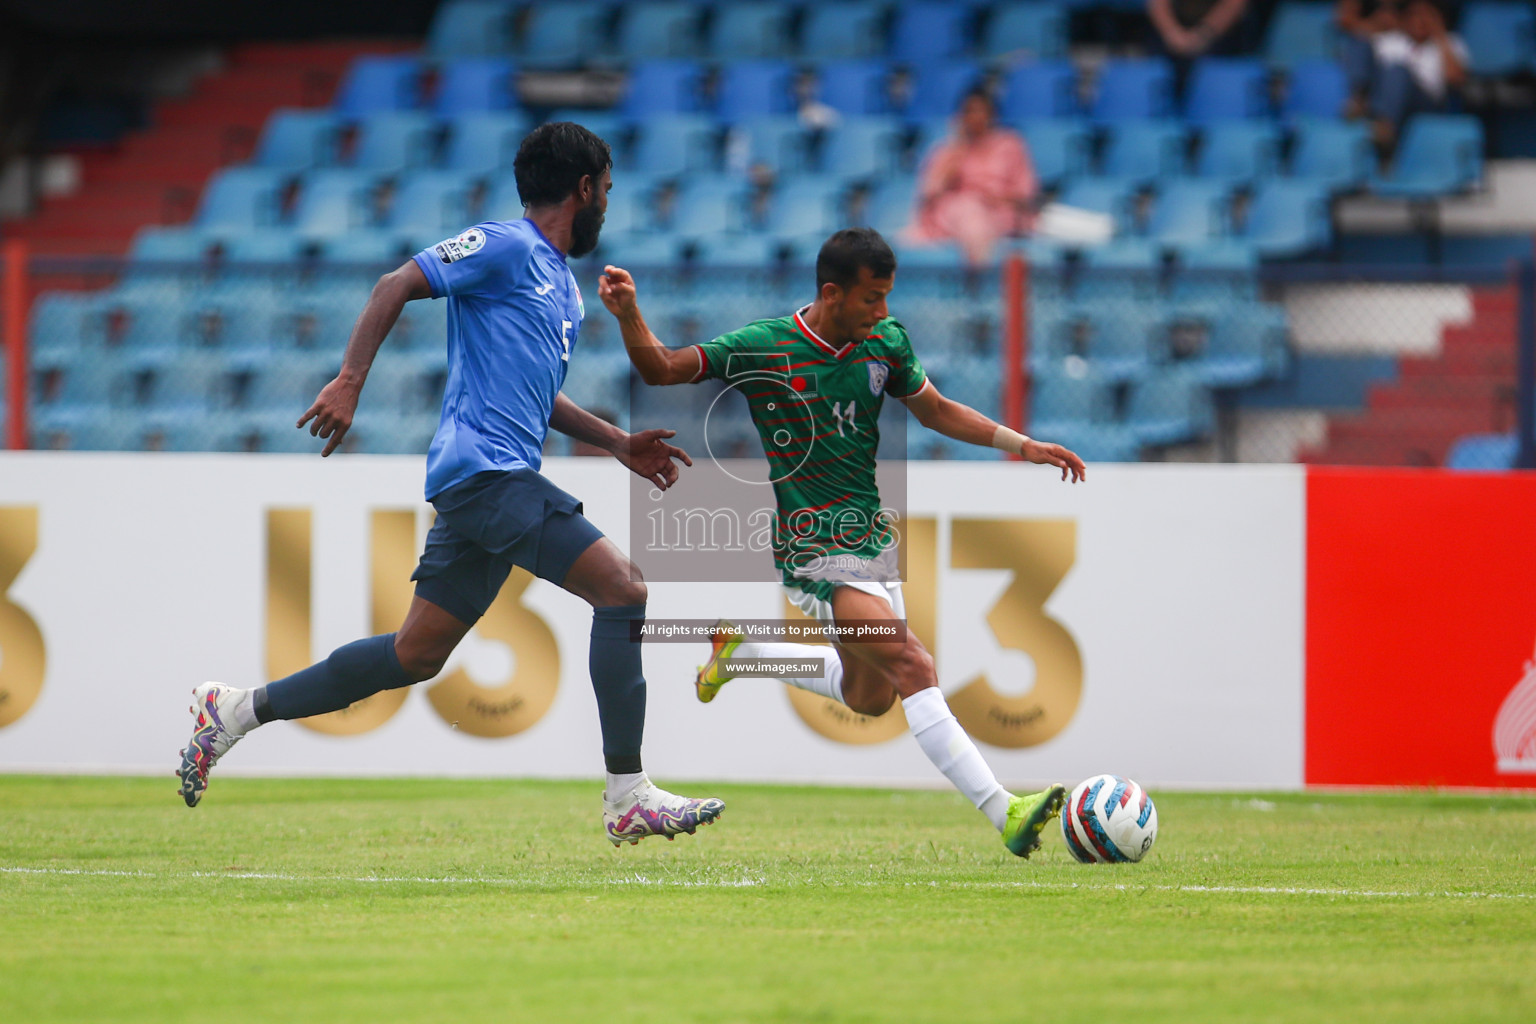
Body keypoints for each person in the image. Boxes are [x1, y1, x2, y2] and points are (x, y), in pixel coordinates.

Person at [176, 123, 724, 848]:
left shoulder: (561, 285)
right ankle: (627, 794)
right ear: (585, 188)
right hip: (484, 474)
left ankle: (238, 710)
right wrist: (349, 380)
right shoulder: (504, 246)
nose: (607, 205)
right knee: (622, 588)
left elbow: (537, 396)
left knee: (415, 654)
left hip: (495, 482)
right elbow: (395, 283)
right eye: (608, 190)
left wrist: (617, 441)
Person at [598, 228, 1088, 859]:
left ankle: (742, 655)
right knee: (912, 664)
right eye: (871, 299)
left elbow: (934, 410)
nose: (882, 312)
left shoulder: (885, 342)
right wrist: (630, 313)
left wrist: (1020, 444)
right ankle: (1007, 811)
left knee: (870, 695)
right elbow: (661, 368)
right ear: (832, 293)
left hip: (869, 539)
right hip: (813, 546)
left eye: (886, 298)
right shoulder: (764, 347)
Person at [904, 87, 1037, 267]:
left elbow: (1026, 194)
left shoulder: (1011, 145)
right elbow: (930, 192)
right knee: (968, 212)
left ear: (993, 114)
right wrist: (957, 146)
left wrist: (993, 198)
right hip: (957, 215)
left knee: (975, 219)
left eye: (981, 111)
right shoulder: (947, 149)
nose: (976, 117)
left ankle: (979, 285)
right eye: (969, 111)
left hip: (1000, 214)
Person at [1365, 0, 1468, 150]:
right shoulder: (1391, 41)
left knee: (1398, 72)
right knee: (1394, 71)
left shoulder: (1451, 42)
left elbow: (1456, 80)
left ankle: (1385, 129)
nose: (1420, 20)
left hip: (1428, 105)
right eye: (1414, 14)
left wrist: (1439, 34)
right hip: (1389, 104)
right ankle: (1383, 127)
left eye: (1427, 15)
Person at [1147, 0, 1252, 95]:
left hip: (1218, 34)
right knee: (1153, 65)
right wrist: (1172, 34)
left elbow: (1234, 4)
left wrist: (1204, 35)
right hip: (1174, 32)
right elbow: (1157, 4)